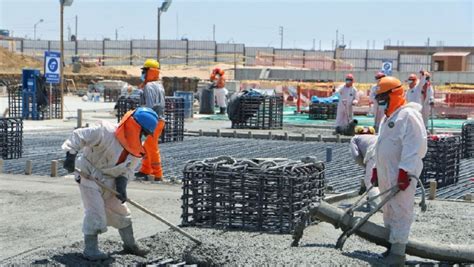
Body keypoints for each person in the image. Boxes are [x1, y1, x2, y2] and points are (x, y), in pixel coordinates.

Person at [62, 107, 159, 260]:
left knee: (120, 211)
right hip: (89, 174)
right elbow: (78, 135)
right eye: (144, 133)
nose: (144, 138)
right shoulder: (105, 131)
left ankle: (130, 245)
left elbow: (127, 170)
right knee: (95, 211)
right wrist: (70, 155)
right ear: (135, 128)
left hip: (110, 179)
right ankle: (90, 249)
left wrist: (122, 184)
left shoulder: (136, 151)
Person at [371, 76, 427, 265]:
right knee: (388, 210)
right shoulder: (388, 118)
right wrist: (376, 169)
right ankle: (391, 247)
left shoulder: (408, 116)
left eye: (383, 98)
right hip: (387, 172)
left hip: (401, 174)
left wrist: (405, 172)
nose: (380, 102)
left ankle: (398, 253)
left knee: (401, 210)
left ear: (393, 94)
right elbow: (380, 147)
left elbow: (415, 146)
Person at [135, 59, 166, 182]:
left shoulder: (149, 86)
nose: (143, 73)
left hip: (152, 120)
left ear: (151, 72)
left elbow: (149, 105)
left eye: (145, 71)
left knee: (151, 146)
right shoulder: (159, 85)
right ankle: (145, 170)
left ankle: (158, 174)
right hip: (159, 120)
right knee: (147, 146)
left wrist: (145, 121)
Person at [350, 126, 381, 210]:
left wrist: (365, 166)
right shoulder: (376, 136)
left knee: (370, 181)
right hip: (387, 152)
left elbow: (356, 156)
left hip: (373, 154)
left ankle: (378, 206)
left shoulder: (355, 138)